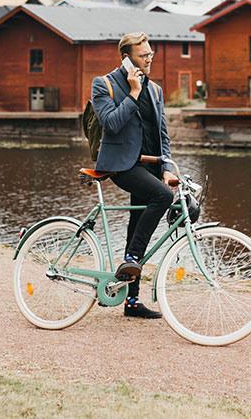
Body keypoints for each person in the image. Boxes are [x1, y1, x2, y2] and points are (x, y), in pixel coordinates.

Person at [91, 32, 179, 319]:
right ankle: (131, 260)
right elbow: (112, 124)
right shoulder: (104, 84)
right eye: (144, 56)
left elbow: (162, 133)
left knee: (135, 228)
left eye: (151, 54)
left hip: (151, 166)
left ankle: (131, 303)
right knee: (163, 197)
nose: (150, 59)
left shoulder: (155, 90)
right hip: (121, 165)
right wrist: (132, 93)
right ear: (127, 58)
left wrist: (166, 166)